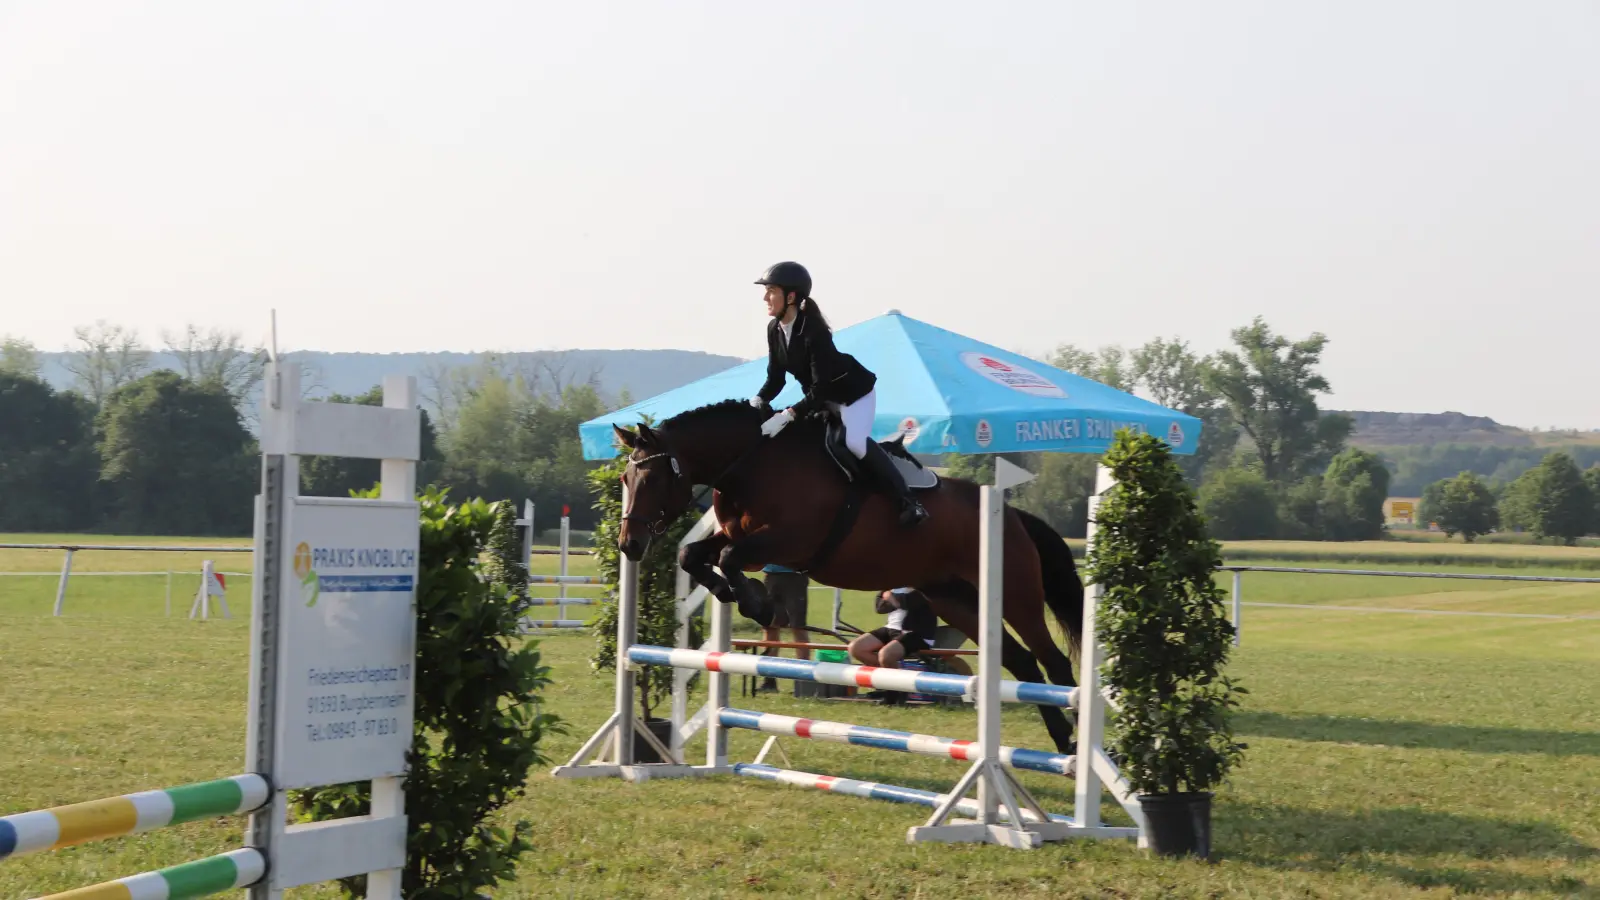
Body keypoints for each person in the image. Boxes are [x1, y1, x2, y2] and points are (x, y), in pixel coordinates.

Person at [748, 261, 928, 527]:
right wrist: (758, 400)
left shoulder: (813, 331)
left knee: (853, 442)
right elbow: (776, 378)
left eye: (771, 290)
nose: (765, 297)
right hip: (823, 399)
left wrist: (789, 414)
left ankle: (908, 501)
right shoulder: (774, 330)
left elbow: (821, 388)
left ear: (791, 296)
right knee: (816, 444)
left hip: (853, 395)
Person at [848, 587, 939, 704]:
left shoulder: (921, 587)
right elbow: (879, 607)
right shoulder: (891, 585)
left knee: (886, 655)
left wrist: (890, 597)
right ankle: (888, 683)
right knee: (856, 648)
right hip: (890, 629)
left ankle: (894, 694)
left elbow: (907, 603)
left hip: (916, 634)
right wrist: (895, 601)